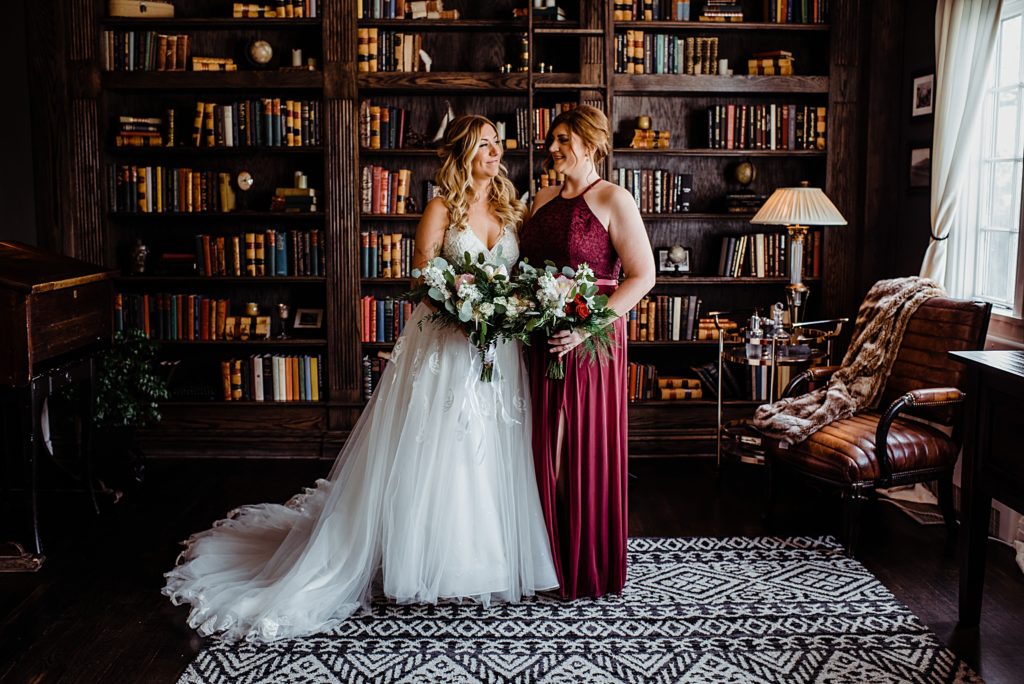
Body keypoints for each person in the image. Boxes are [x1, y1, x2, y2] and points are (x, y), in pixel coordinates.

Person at [163, 115, 558, 642]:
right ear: (464, 152)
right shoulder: (442, 208)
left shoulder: (513, 209)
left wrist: (501, 311)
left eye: (497, 144)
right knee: (442, 446)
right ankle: (427, 561)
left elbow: (519, 275)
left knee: (489, 445)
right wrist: (462, 310)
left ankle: (486, 560)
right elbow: (423, 275)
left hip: (496, 348)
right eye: (485, 144)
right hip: (446, 342)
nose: (495, 152)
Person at [519, 105, 656, 599]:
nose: (552, 147)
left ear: (591, 143)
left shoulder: (615, 199)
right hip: (540, 336)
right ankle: (543, 560)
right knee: (537, 445)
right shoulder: (540, 198)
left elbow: (643, 276)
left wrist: (585, 328)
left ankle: (580, 562)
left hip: (591, 340)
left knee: (573, 445)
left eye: (563, 139)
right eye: (552, 139)